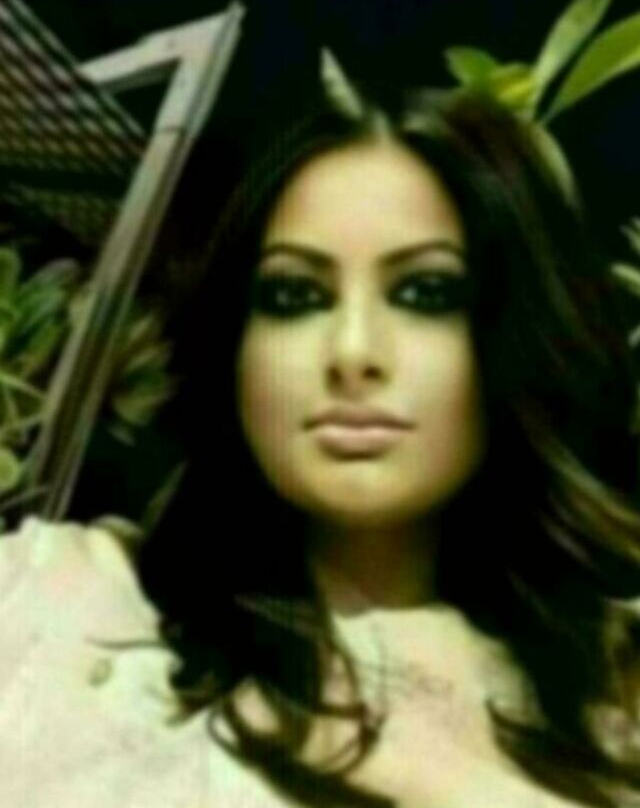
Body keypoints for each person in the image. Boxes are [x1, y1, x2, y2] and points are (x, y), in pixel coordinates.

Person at [1, 60, 640, 808]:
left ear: (517, 338)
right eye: (294, 295)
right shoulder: (57, 597)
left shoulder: (611, 688)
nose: (353, 351)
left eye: (427, 292)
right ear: (233, 346)